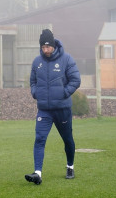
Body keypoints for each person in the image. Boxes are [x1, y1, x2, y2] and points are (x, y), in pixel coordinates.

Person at [25, 29, 81, 185]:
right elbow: (33, 82)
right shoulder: (37, 62)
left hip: (62, 109)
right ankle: (37, 173)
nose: (45, 50)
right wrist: (35, 93)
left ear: (54, 45)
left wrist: (64, 93)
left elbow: (75, 80)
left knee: (67, 139)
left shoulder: (67, 59)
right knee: (39, 139)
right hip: (44, 110)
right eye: (43, 47)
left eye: (48, 47)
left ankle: (70, 166)